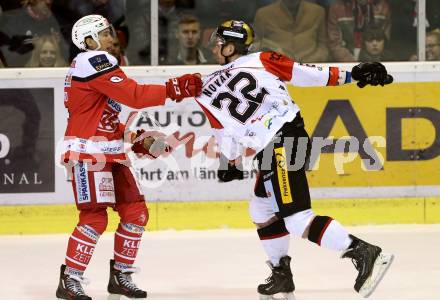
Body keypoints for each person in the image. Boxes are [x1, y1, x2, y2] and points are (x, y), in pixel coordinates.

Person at [196, 20, 394, 299]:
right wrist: (354, 74)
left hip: (283, 142)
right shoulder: (259, 61)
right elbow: (308, 74)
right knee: (262, 210)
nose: (214, 48)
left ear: (230, 47)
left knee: (297, 218)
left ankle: (363, 252)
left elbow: (222, 129)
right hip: (275, 146)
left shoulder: (207, 87)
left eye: (218, 43)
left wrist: (231, 161)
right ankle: (281, 273)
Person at [56, 14, 202, 300]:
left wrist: (135, 138)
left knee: (136, 212)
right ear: (88, 41)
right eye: (106, 33)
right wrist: (176, 89)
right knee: (94, 218)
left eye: (111, 32)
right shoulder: (93, 61)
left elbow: (104, 118)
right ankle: (70, 279)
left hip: (107, 150)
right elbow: (134, 96)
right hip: (88, 152)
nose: (113, 38)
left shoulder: (96, 67)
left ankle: (121, 275)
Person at [253, 0, 329, 63]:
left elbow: (323, 45)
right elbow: (256, 45)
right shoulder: (263, 14)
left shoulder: (317, 11)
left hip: (311, 67)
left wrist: (313, 60)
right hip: (276, 67)